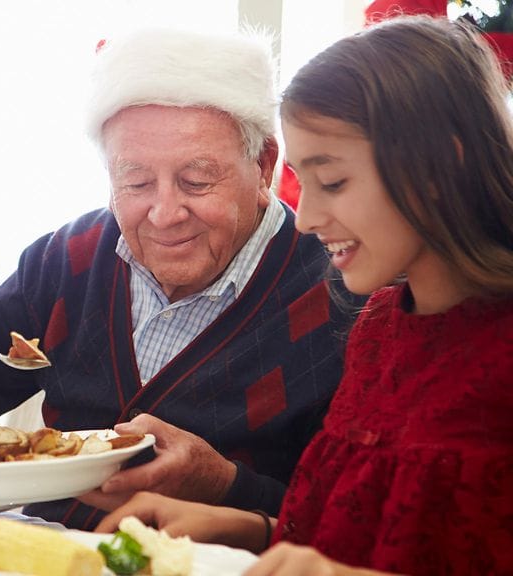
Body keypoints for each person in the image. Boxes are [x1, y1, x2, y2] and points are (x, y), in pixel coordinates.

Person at [0, 26, 360, 528]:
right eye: (136, 181)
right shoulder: (67, 259)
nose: (165, 213)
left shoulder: (342, 295)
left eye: (196, 180)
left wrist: (226, 486)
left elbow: (354, 525)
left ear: (262, 166)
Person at [97, 16, 513, 575]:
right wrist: (245, 527)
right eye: (304, 182)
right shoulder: (378, 328)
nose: (308, 217)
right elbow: (344, 535)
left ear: (441, 168)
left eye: (333, 182)